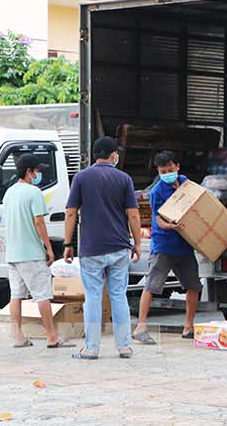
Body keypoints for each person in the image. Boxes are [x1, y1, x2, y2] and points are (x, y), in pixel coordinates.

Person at [64, 136, 141, 359]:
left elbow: (71, 213)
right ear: (113, 154)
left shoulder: (81, 178)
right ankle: (124, 346)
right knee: (118, 296)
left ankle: (91, 348)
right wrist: (136, 243)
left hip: (91, 249)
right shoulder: (124, 178)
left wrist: (68, 243)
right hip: (118, 248)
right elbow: (133, 215)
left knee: (93, 297)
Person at [4, 153, 73, 349]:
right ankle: (52, 336)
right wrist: (49, 248)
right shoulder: (34, 192)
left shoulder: (9, 192)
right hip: (31, 253)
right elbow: (39, 222)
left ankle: (18, 336)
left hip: (13, 253)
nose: (38, 175)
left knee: (16, 295)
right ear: (29, 172)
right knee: (43, 295)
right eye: (37, 171)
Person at [133, 150, 202, 344]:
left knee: (193, 286)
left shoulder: (186, 184)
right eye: (163, 171)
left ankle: (188, 327)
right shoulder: (157, 192)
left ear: (177, 167)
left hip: (184, 244)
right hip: (164, 244)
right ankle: (141, 325)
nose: (167, 174)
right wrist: (171, 226)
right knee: (152, 285)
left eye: (170, 169)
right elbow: (158, 220)